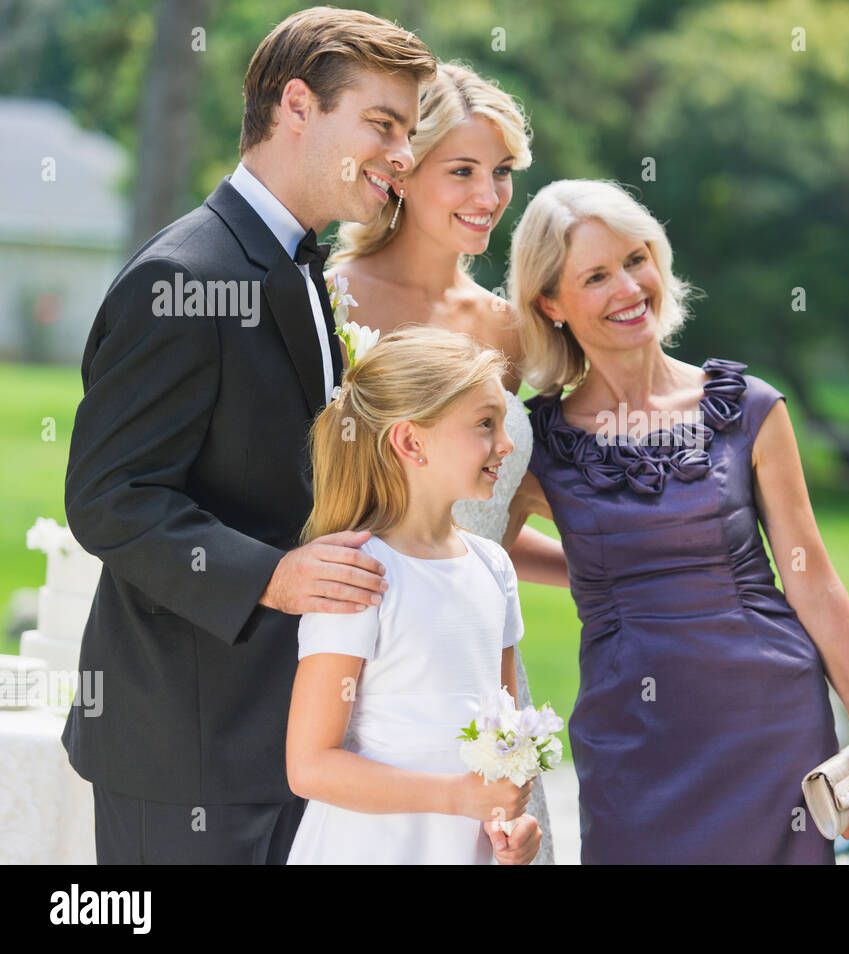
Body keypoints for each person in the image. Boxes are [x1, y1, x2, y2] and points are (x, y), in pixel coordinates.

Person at [61, 8, 435, 863]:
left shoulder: (300, 266)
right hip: (188, 748)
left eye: (408, 133)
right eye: (382, 124)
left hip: (287, 738)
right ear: (297, 105)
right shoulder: (180, 278)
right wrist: (273, 576)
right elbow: (112, 500)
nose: (402, 155)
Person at [507, 179, 849, 864]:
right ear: (550, 302)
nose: (629, 288)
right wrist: (600, 573)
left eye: (636, 259)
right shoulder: (535, 441)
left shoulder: (748, 409)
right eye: (595, 276)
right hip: (631, 739)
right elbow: (480, 552)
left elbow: (812, 578)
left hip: (770, 723)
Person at [327, 61, 564, 863]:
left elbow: (493, 520)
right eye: (462, 170)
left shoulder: (514, 331)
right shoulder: (329, 302)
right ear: (404, 171)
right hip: (370, 663)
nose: (489, 196)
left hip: (482, 663)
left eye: (500, 173)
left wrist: (604, 568)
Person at [284, 327, 541, 864]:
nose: (507, 443)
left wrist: (510, 827)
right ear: (410, 442)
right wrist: (454, 797)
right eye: (485, 424)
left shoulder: (493, 568)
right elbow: (310, 765)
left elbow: (505, 731)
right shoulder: (360, 572)